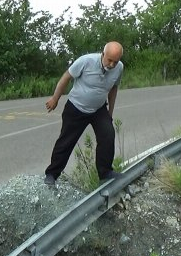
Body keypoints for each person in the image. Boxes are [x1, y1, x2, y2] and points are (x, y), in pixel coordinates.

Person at [44, 41, 124, 186]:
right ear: (103, 54)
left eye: (115, 61)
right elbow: (66, 77)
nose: (112, 64)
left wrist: (110, 113)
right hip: (76, 108)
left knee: (108, 134)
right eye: (109, 60)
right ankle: (51, 174)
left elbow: (113, 89)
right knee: (66, 141)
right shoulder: (86, 61)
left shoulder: (119, 68)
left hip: (99, 109)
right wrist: (55, 98)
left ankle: (105, 173)